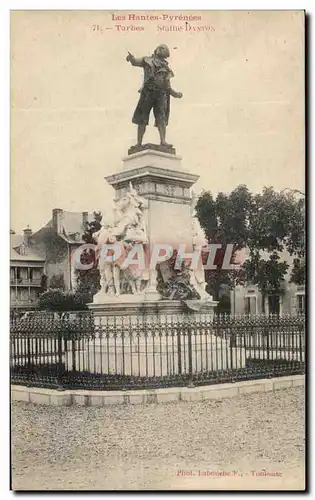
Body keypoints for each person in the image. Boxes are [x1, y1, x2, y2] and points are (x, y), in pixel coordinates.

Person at [126, 44, 183, 147]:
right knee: (142, 118)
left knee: (161, 118)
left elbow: (167, 85)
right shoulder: (146, 60)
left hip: (161, 94)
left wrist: (175, 94)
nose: (161, 50)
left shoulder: (166, 68)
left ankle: (163, 141)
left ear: (166, 54)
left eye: (163, 49)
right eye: (160, 48)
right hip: (148, 92)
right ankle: (139, 143)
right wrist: (131, 58)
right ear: (156, 50)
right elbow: (135, 62)